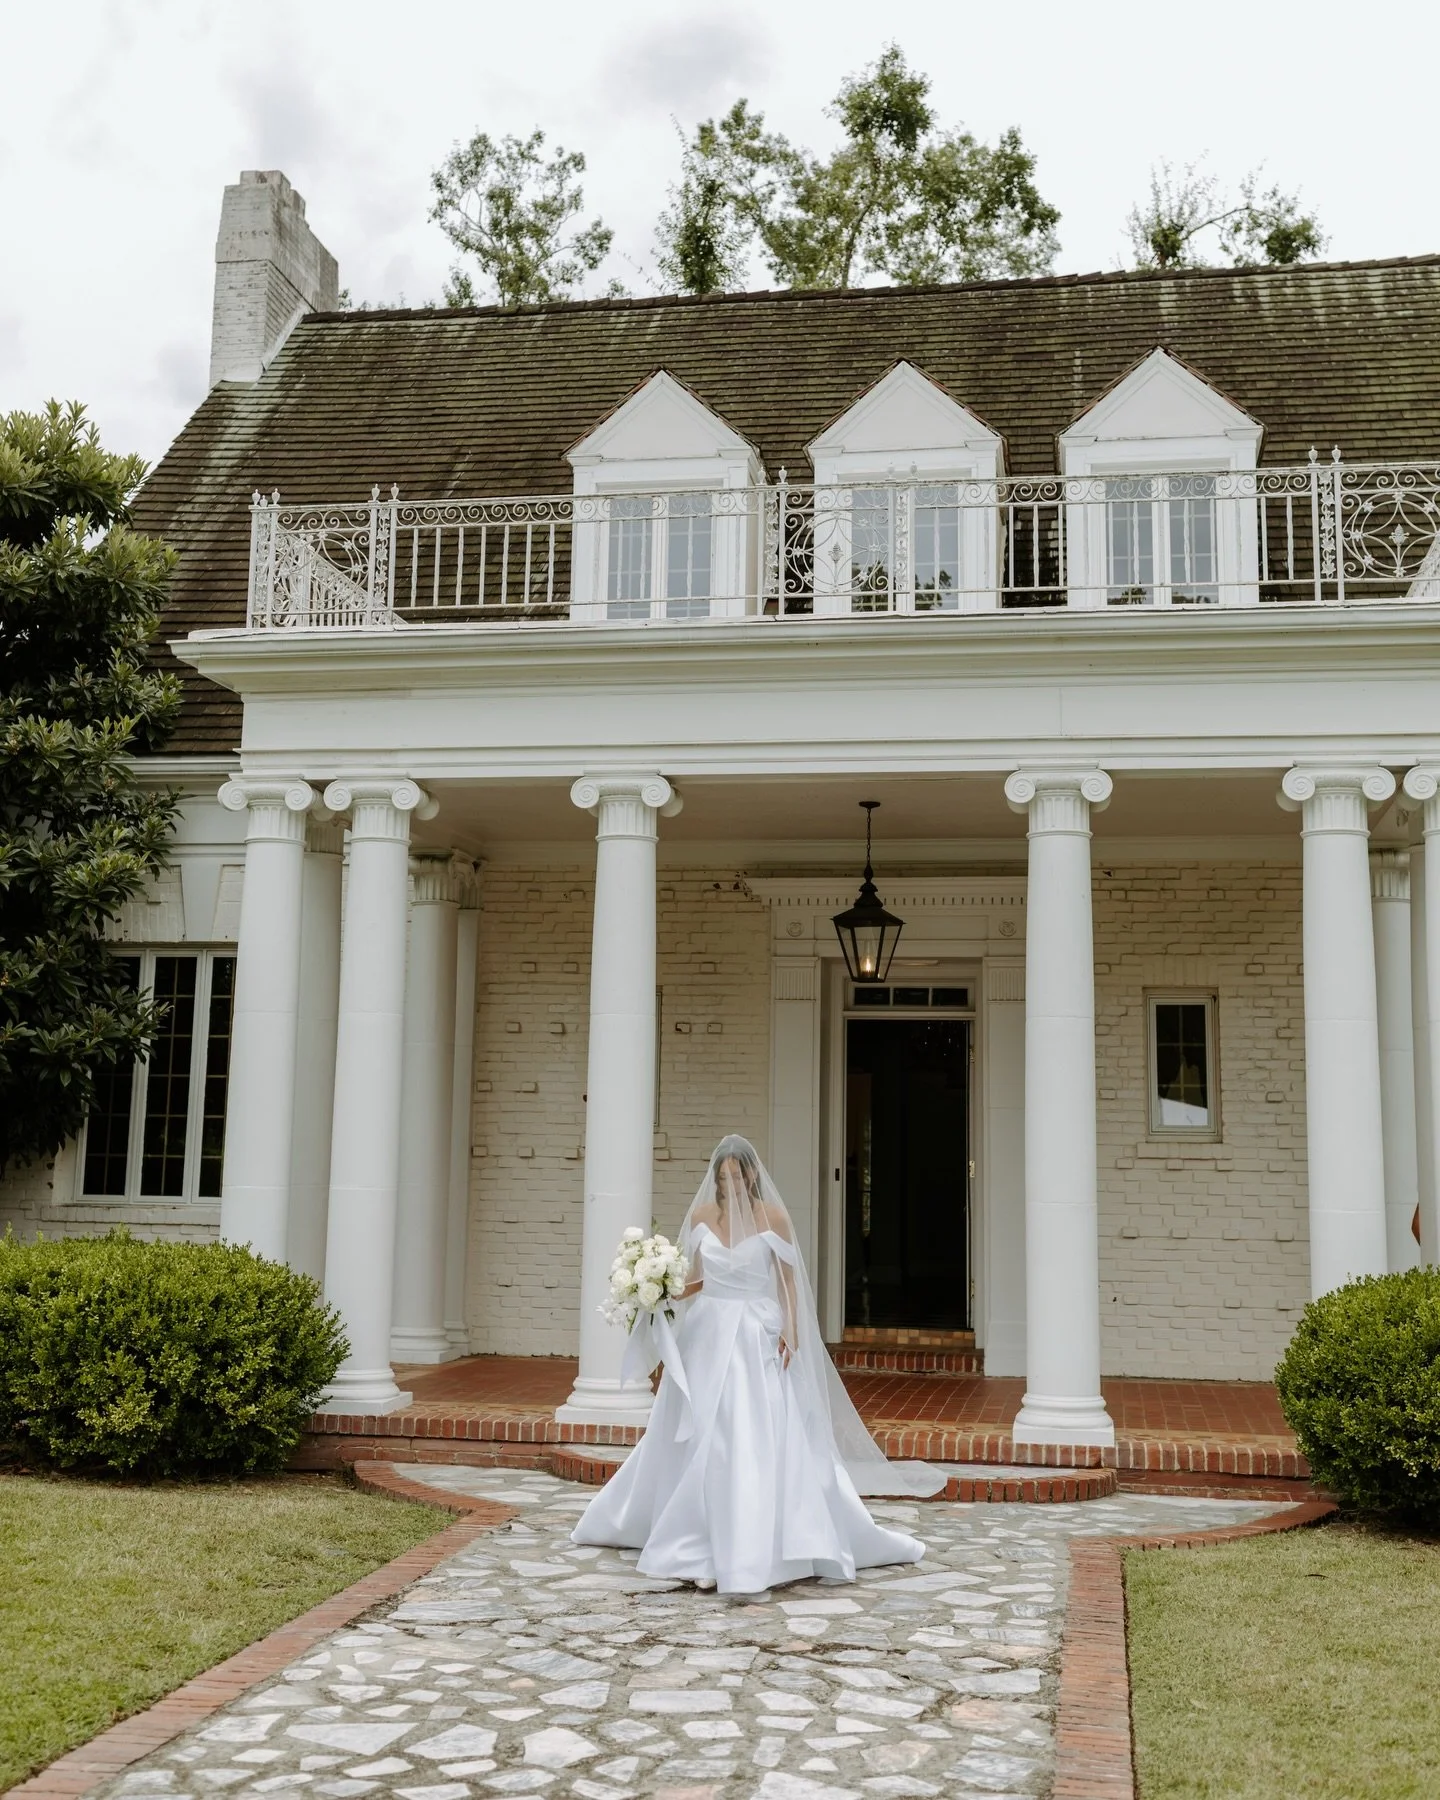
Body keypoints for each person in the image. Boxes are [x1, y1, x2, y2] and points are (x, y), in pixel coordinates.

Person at [571, 1134, 944, 1594]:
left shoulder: (774, 1218)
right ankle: (693, 1534)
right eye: (723, 1176)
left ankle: (753, 1539)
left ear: (751, 1175)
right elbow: (697, 1280)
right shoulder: (703, 1217)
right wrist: (659, 1289)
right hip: (706, 1334)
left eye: (737, 1175)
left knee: (747, 1430)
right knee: (700, 1430)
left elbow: (787, 1282)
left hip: (753, 1333)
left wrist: (792, 1332)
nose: (730, 1183)